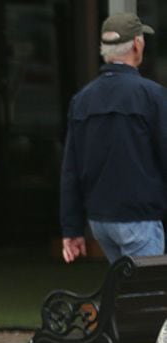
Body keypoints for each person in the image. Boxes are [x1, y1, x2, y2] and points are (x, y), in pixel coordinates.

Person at [60, 12, 167, 265]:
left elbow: (70, 170)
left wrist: (72, 229)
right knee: (145, 298)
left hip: (100, 222)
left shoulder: (82, 99)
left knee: (125, 295)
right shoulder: (151, 96)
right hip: (139, 218)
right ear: (137, 45)